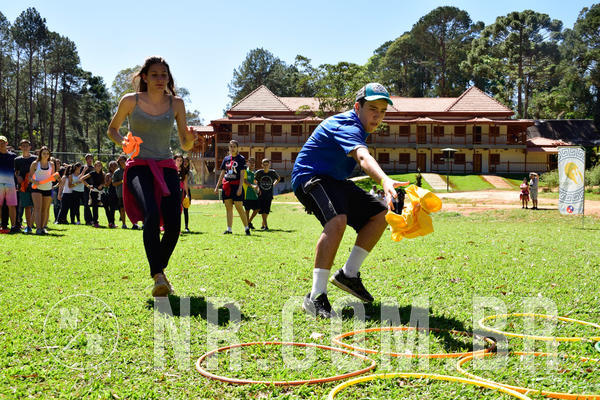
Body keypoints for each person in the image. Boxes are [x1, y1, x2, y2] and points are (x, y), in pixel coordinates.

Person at [291, 83, 408, 318]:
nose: (378, 116)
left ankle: (349, 274)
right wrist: (384, 180)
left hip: (335, 181)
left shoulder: (360, 127)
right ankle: (315, 297)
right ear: (357, 107)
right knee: (337, 221)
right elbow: (363, 157)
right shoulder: (347, 124)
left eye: (383, 111)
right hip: (309, 177)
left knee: (380, 214)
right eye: (372, 109)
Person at [107, 55, 195, 297]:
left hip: (166, 167)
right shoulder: (130, 100)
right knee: (151, 215)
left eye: (164, 75)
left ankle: (159, 270)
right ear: (144, 77)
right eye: (154, 74)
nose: (160, 79)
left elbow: (185, 144)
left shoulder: (176, 104)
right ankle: (158, 276)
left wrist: (191, 140)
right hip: (139, 166)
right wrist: (123, 142)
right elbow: (112, 129)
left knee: (174, 224)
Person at [214, 140, 250, 235]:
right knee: (228, 208)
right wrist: (217, 186)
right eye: (231, 146)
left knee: (239, 207)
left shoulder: (241, 159)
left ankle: (247, 228)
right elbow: (222, 173)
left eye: (234, 146)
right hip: (227, 186)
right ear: (229, 148)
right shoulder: (226, 159)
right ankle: (229, 229)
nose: (232, 148)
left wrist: (240, 187)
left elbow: (242, 174)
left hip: (236, 185)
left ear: (237, 148)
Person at [29, 146, 55, 235]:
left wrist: (55, 178)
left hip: (47, 188)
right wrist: (34, 181)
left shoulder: (52, 164)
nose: (46, 155)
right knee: (37, 208)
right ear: (40, 154)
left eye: (47, 153)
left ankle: (43, 227)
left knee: (44, 209)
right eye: (44, 153)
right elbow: (29, 177)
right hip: (36, 188)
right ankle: (38, 229)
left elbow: (53, 177)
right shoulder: (35, 164)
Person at [14, 139, 36, 233]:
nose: (25, 147)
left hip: (35, 185)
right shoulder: (17, 160)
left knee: (36, 207)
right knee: (27, 206)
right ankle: (29, 227)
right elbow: (16, 172)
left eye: (27, 146)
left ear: (30, 147)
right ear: (20, 147)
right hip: (23, 186)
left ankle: (39, 226)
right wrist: (18, 177)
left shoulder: (35, 158)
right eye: (23, 146)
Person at [0, 136, 19, 233]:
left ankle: (13, 226)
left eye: (3, 142)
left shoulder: (13, 156)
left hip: (11, 184)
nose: (1, 144)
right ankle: (1, 226)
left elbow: (17, 171)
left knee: (12, 205)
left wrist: (17, 182)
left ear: (6, 143)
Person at [254, 158, 280, 230]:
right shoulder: (259, 172)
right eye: (264, 165)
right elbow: (254, 179)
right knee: (263, 210)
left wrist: (274, 184)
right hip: (261, 194)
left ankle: (263, 224)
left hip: (269, 194)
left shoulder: (272, 172)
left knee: (267, 210)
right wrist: (257, 186)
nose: (265, 166)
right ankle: (266, 226)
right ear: (262, 165)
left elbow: (278, 178)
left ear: (269, 165)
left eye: (267, 165)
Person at [82, 160, 105, 227]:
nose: (99, 167)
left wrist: (102, 185)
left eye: (100, 165)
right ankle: (95, 222)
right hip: (94, 191)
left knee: (106, 206)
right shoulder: (92, 173)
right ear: (94, 166)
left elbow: (105, 182)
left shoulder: (103, 173)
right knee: (95, 207)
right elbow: (82, 179)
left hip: (101, 192)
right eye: (97, 165)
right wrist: (88, 186)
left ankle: (111, 222)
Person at [174, 154, 190, 233]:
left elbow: (185, 183)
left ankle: (178, 228)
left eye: (181, 161)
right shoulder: (171, 169)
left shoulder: (184, 170)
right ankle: (166, 226)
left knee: (178, 210)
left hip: (180, 191)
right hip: (172, 191)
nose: (179, 162)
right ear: (174, 160)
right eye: (178, 160)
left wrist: (187, 194)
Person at [242, 157, 260, 229]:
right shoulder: (245, 171)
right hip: (247, 194)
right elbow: (245, 181)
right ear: (248, 163)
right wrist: (252, 185)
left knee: (257, 208)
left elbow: (255, 182)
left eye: (253, 162)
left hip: (254, 194)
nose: (252, 164)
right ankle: (248, 225)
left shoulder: (254, 173)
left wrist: (257, 187)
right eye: (251, 162)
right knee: (247, 210)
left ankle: (248, 222)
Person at [112, 155, 127, 228]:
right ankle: (124, 224)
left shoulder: (130, 169)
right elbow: (114, 183)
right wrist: (122, 181)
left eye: (123, 159)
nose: (122, 161)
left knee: (133, 209)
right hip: (121, 193)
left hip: (131, 193)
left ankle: (135, 224)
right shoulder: (117, 172)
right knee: (122, 209)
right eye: (120, 160)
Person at [81, 154, 95, 225]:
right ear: (86, 160)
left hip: (93, 188)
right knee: (86, 204)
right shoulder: (83, 167)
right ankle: (88, 220)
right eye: (88, 158)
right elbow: (80, 177)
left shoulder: (94, 168)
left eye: (91, 158)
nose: (90, 160)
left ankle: (94, 220)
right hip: (85, 188)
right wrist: (84, 170)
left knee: (94, 204)